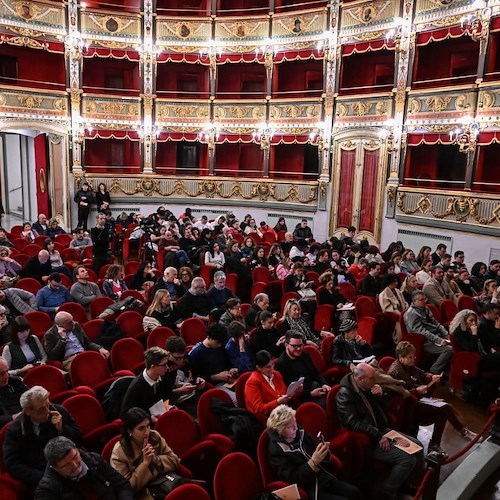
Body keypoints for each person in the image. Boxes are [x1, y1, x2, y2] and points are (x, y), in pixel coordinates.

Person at [336, 364, 423, 499]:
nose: (375, 381)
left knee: (418, 446)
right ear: (359, 379)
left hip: (381, 430)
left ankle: (405, 482)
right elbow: (351, 422)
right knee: (407, 459)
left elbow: (381, 410)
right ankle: (388, 491)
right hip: (369, 438)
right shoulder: (344, 395)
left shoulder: (366, 386)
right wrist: (377, 435)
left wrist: (381, 395)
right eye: (372, 378)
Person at [388, 341, 477, 453]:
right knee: (445, 408)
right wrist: (416, 390)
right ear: (401, 357)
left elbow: (422, 374)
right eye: (410, 357)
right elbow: (398, 395)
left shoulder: (409, 365)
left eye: (413, 356)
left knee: (443, 411)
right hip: (410, 406)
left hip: (420, 399)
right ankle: (454, 435)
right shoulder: (395, 372)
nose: (413, 359)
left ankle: (437, 443)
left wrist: (432, 377)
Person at [267, 404, 361, 500]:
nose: (295, 428)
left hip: (322, 478)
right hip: (308, 489)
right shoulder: (276, 451)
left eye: (295, 423)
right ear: (279, 431)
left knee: (355, 492)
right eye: (290, 427)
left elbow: (315, 447)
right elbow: (293, 479)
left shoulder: (300, 432)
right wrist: (312, 463)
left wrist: (323, 450)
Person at [4, 386, 82, 494]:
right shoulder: (14, 431)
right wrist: (45, 477)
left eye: (48, 405)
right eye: (41, 410)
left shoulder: (58, 411)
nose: (47, 411)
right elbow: (13, 465)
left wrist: (61, 429)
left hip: (70, 466)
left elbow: (79, 439)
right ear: (27, 411)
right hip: (41, 477)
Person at [110, 407, 180, 499]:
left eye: (148, 426)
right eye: (141, 428)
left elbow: (175, 460)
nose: (147, 432)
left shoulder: (154, 436)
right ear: (129, 431)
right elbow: (126, 489)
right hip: (142, 493)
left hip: (165, 480)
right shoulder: (119, 453)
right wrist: (145, 464)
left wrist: (156, 459)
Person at [36, 436, 133, 499]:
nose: (74, 465)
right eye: (66, 465)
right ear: (55, 468)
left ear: (77, 450)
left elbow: (122, 485)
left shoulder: (95, 460)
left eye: (75, 457)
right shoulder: (47, 490)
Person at [275, 330, 331, 406]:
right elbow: (287, 391)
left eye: (300, 345)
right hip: (301, 398)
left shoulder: (304, 354)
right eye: (294, 346)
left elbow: (315, 372)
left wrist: (324, 384)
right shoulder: (281, 364)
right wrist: (310, 394)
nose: (298, 349)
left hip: (314, 386)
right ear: (286, 345)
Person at [403, 291, 453, 374]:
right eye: (421, 300)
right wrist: (438, 340)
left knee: (454, 343)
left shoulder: (425, 308)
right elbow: (421, 332)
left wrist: (446, 335)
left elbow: (436, 323)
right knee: (449, 350)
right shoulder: (411, 314)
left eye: (425, 299)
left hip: (435, 335)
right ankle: (433, 371)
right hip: (425, 340)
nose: (425, 301)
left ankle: (446, 370)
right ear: (414, 301)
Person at [188, 323, 238, 402]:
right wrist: (214, 377)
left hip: (228, 380)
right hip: (211, 385)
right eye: (218, 342)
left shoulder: (220, 346)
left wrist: (231, 369)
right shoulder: (196, 353)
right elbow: (195, 378)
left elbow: (227, 362)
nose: (220, 345)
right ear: (209, 338)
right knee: (236, 399)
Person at [44, 311, 110, 369]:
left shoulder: (76, 325)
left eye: (72, 320)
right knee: (86, 369)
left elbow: (87, 343)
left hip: (85, 354)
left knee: (101, 363)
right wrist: (62, 339)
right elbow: (52, 356)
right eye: (69, 322)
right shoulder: (50, 334)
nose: (73, 323)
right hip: (70, 360)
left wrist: (99, 348)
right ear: (61, 325)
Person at [451, 308, 500, 375]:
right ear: (464, 321)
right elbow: (470, 348)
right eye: (471, 320)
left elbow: (485, 341)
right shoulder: (459, 333)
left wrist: (490, 348)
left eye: (475, 320)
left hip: (484, 354)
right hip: (474, 359)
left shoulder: (477, 328)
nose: (474, 323)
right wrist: (474, 335)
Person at [244, 350, 289, 423]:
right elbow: (258, 409)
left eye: (272, 365)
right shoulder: (252, 382)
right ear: (258, 368)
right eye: (268, 367)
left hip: (283, 412)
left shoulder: (276, 374)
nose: (272, 368)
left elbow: (285, 394)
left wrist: (296, 391)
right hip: (268, 419)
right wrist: (277, 402)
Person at [0, 356, 28, 428]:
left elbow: (30, 395)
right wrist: (12, 417)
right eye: (2, 374)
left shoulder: (14, 381)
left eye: (7, 371)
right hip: (7, 427)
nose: (6, 376)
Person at [379, 274, 408, 342]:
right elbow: (387, 309)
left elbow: (404, 302)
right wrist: (400, 314)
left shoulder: (397, 291)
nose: (396, 283)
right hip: (394, 316)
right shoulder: (383, 294)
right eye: (394, 282)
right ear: (389, 282)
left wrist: (406, 308)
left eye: (396, 281)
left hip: (402, 312)